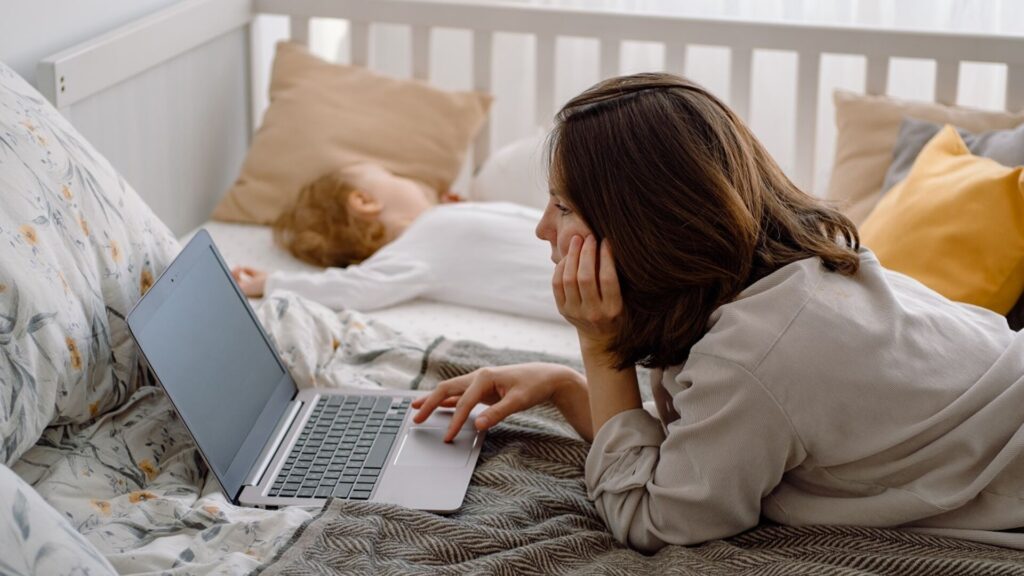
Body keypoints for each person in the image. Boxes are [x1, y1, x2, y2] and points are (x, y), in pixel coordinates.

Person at [411, 72, 1024, 552]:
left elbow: (654, 517)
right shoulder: (795, 270)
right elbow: (704, 445)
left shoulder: (757, 352)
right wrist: (567, 387)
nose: (543, 229)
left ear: (646, 225)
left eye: (563, 207)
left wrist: (599, 349)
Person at [231, 163, 561, 321]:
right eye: (391, 176)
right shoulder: (413, 249)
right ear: (364, 201)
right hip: (595, 287)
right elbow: (354, 286)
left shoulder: (436, 225)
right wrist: (271, 282)